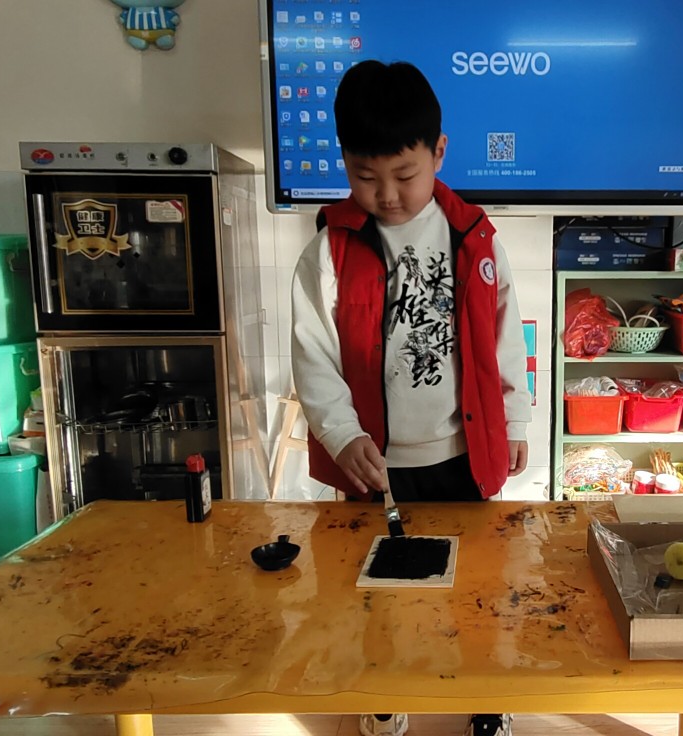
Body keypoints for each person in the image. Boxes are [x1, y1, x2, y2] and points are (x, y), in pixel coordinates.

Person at [290, 60, 531, 736]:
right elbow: (312, 356)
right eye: (365, 177)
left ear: (439, 152)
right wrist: (341, 435)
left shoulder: (473, 236)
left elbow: (505, 336)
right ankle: (383, 692)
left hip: (462, 452)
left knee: (477, 589)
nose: (388, 195)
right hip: (376, 465)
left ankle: (484, 699)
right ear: (344, 161)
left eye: (404, 174)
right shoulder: (329, 251)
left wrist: (514, 417)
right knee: (374, 592)